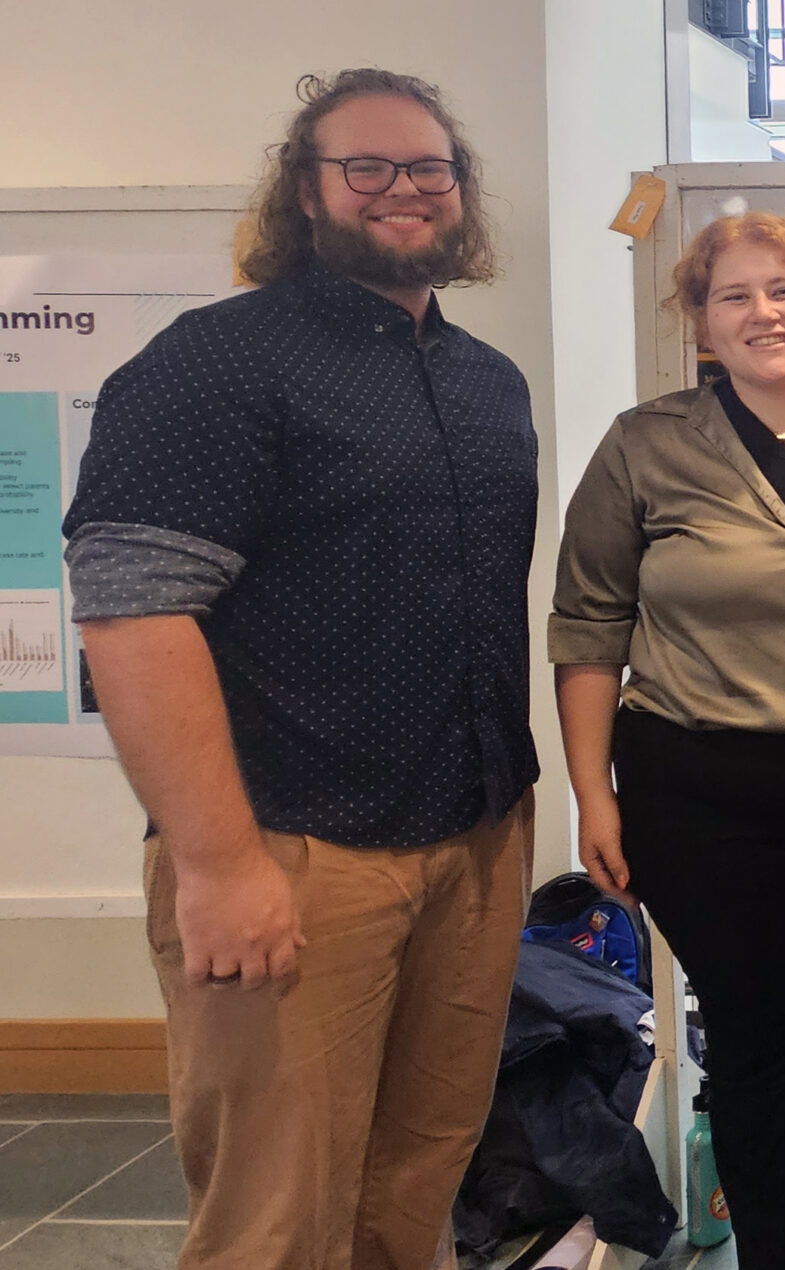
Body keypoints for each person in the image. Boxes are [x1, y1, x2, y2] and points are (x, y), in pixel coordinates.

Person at [61, 69, 536, 1270]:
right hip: (292, 852)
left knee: (414, 1188)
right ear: (305, 191)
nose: (403, 190)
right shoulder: (217, 363)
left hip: (471, 840)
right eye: (365, 166)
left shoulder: (487, 383)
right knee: (274, 1220)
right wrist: (219, 863)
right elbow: (132, 613)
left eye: (430, 168)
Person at [550, 211, 785, 1268]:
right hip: (700, 786)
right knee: (756, 1039)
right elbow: (588, 629)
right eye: (734, 296)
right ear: (700, 323)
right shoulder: (644, 445)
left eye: (784, 289)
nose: (763, 312)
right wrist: (594, 793)